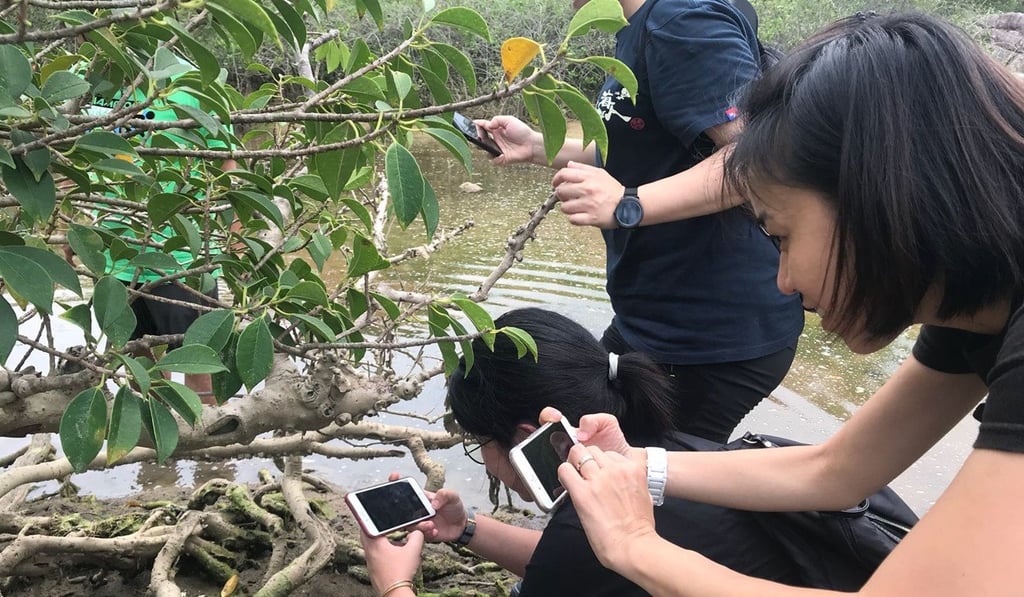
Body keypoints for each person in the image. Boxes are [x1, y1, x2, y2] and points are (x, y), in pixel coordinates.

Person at [551, 11, 1024, 596]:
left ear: (877, 196)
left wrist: (634, 547)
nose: (783, 282)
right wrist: (639, 466)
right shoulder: (976, 304)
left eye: (781, 236)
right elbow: (837, 471)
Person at [477, 0, 803, 443]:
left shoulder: (681, 19)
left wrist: (629, 203)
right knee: (589, 449)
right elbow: (638, 151)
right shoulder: (640, 27)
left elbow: (757, 160)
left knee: (643, 485)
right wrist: (537, 145)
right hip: (654, 319)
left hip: (711, 333)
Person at [359, 308, 850, 596]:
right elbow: (580, 566)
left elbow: (574, 563)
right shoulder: (675, 456)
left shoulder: (589, 535)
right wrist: (466, 529)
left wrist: (395, 585)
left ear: (525, 434)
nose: (484, 458)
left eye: (480, 444)